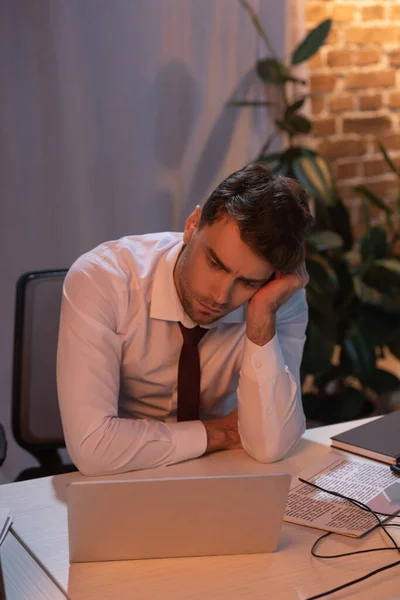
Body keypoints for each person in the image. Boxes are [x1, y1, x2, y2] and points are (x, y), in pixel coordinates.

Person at [57, 162, 313, 476]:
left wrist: (261, 318)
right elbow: (93, 448)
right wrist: (220, 432)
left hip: (224, 474)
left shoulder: (275, 298)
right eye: (215, 263)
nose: (220, 296)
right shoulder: (103, 279)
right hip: (128, 476)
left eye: (247, 282)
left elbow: (271, 447)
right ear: (192, 225)